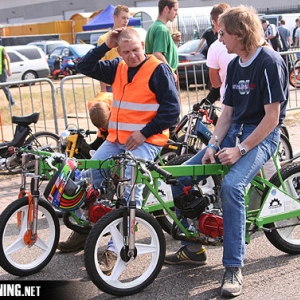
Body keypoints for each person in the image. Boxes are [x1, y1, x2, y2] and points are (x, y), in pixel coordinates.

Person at [164, 5, 288, 298]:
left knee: (232, 186)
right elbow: (228, 112)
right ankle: (195, 246)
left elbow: (272, 118)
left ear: (240, 33)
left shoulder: (269, 62)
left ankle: (233, 266)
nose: (219, 39)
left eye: (223, 33)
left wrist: (240, 149)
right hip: (235, 132)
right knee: (179, 178)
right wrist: (214, 144)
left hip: (263, 136)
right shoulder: (234, 65)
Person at [57, 28, 181, 265]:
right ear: (119, 51)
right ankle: (88, 228)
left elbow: (172, 111)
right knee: (92, 172)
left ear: (142, 45)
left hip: (147, 140)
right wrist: (105, 45)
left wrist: (144, 133)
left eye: (136, 50)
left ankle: (116, 247)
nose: (132, 55)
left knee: (129, 188)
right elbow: (84, 66)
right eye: (126, 51)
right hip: (116, 140)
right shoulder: (118, 66)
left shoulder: (158, 69)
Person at [205, 3, 236, 104]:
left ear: (214, 22)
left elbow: (215, 82)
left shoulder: (214, 47)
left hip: (229, 101)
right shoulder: (247, 39)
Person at [97, 5, 130, 92]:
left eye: (127, 18)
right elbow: (101, 66)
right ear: (114, 17)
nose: (126, 21)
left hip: (129, 82)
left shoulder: (130, 37)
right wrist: (103, 89)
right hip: (111, 84)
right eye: (123, 18)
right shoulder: (104, 39)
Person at [145, 0, 179, 76]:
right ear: (166, 9)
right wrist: (170, 72)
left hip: (156, 73)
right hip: (163, 74)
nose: (177, 13)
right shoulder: (161, 29)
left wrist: (173, 42)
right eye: (175, 10)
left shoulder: (152, 27)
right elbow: (157, 54)